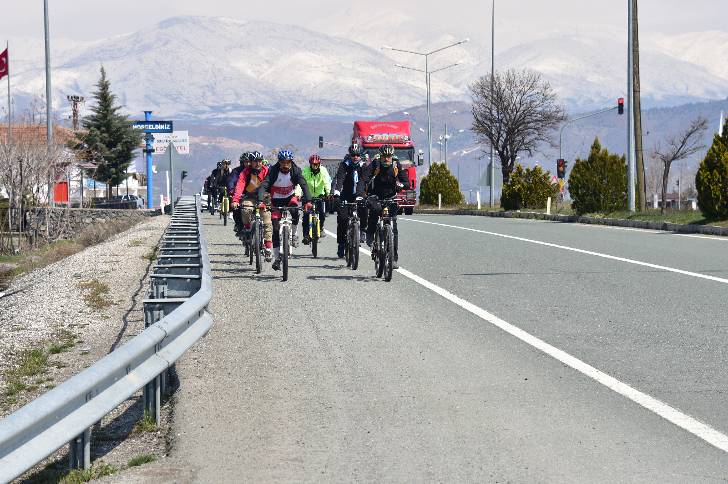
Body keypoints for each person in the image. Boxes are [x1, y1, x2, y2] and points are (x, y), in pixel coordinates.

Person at [258, 150, 312, 271]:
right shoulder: (273, 171)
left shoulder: (296, 170)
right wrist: (261, 201)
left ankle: (294, 235)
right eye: (283, 162)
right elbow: (264, 185)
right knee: (276, 228)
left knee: (295, 212)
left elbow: (304, 184)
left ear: (291, 162)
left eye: (288, 162)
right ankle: (277, 258)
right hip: (276, 200)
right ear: (279, 162)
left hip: (289, 198)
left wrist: (308, 201)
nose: (285, 165)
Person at [359, 144, 410, 269]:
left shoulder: (396, 165)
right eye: (384, 156)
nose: (386, 159)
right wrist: (361, 195)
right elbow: (363, 180)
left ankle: (393, 259)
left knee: (394, 227)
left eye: (389, 156)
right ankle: (370, 233)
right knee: (375, 212)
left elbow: (406, 182)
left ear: (392, 156)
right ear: (380, 156)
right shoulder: (375, 164)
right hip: (375, 196)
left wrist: (401, 185)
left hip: (390, 197)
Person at [232, 151, 273, 261]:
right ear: (250, 162)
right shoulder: (245, 172)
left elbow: (272, 185)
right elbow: (240, 186)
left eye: (259, 161)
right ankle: (248, 229)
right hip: (249, 198)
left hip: (264, 199)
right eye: (255, 161)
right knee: (245, 209)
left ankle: (268, 248)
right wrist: (235, 200)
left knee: (267, 221)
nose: (257, 164)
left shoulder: (267, 171)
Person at [333, 144, 367, 258]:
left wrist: (360, 195)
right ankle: (341, 244)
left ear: (360, 155)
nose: (355, 157)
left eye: (357, 155)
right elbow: (340, 178)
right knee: (342, 219)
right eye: (353, 155)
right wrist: (337, 191)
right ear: (350, 155)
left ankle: (362, 230)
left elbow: (363, 181)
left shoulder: (363, 166)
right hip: (345, 195)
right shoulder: (344, 165)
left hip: (359, 194)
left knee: (364, 209)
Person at [301, 154, 331, 244]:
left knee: (321, 213)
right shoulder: (305, 171)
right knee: (306, 215)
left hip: (319, 195)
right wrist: (298, 194)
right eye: (313, 164)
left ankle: (321, 228)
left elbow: (326, 182)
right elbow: (300, 183)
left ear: (319, 164)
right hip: (307, 196)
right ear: (310, 164)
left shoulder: (323, 171)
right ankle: (306, 235)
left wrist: (328, 193)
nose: (315, 166)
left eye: (316, 164)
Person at [228, 152, 251, 236]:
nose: (248, 164)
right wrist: (231, 190)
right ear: (242, 162)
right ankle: (239, 225)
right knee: (236, 207)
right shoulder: (236, 171)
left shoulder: (255, 170)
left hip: (252, 194)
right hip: (239, 193)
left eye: (249, 161)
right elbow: (231, 181)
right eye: (245, 161)